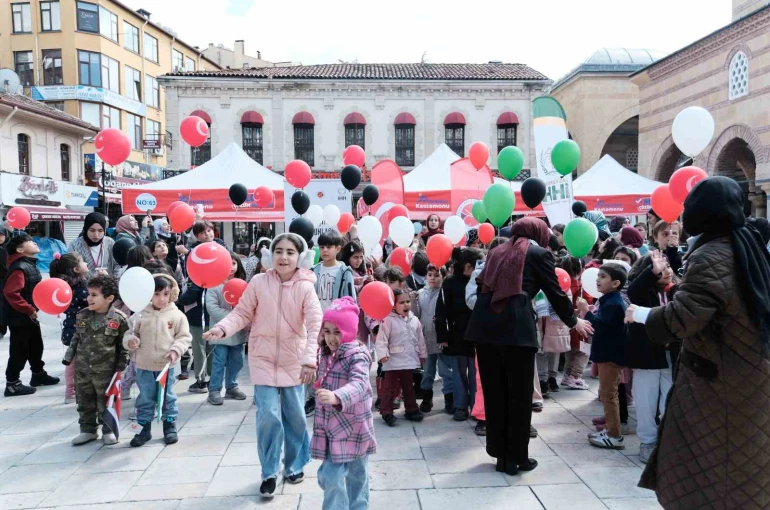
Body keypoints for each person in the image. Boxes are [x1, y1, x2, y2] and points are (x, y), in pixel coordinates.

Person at [623, 177, 770, 508]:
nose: (684, 212)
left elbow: (682, 319)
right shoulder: (746, 244)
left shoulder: (712, 255)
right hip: (744, 378)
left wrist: (643, 315)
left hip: (718, 386)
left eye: (690, 205)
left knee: (712, 479)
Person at [466, 218, 593, 475]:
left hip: (484, 327)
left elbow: (483, 288)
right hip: (515, 328)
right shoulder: (539, 253)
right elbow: (555, 292)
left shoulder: (496, 251)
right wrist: (573, 320)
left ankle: (501, 456)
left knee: (495, 393)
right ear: (539, 233)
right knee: (519, 395)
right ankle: (518, 458)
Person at [203, 233, 321, 498]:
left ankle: (294, 465)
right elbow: (242, 313)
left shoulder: (306, 287)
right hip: (262, 358)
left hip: (294, 360)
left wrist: (310, 358)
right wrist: (222, 329)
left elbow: (315, 325)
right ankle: (268, 472)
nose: (283, 257)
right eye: (278, 251)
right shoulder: (257, 282)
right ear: (269, 255)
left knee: (296, 418)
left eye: (290, 252)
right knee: (268, 416)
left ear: (300, 257)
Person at [312, 297, 376, 510]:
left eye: (337, 332)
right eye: (327, 331)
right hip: (333, 430)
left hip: (355, 428)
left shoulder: (357, 355)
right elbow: (317, 369)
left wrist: (337, 396)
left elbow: (361, 384)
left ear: (349, 331)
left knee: (358, 477)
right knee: (330, 476)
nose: (331, 337)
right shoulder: (325, 352)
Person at [124, 274, 192, 447]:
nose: (162, 299)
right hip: (144, 365)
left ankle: (169, 425)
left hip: (166, 366)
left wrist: (176, 350)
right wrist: (131, 341)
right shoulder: (139, 315)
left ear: (172, 294)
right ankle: (143, 428)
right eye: (157, 294)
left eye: (166, 294)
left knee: (167, 396)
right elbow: (130, 333)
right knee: (145, 397)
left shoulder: (177, 316)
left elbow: (184, 337)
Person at [625, 250, 679, 464]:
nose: (666, 272)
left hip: (671, 356)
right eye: (660, 268)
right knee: (646, 403)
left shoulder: (676, 291)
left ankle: (667, 441)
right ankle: (648, 442)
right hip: (647, 357)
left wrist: (672, 254)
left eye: (667, 267)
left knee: (670, 400)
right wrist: (652, 271)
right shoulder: (644, 291)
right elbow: (635, 291)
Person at [63, 275, 129, 445]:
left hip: (106, 371)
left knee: (105, 401)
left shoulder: (118, 319)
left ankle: (108, 430)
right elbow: (77, 338)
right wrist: (69, 357)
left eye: (94, 295)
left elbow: (124, 345)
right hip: (83, 369)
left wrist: (121, 365)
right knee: (84, 401)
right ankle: (87, 430)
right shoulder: (82, 316)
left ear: (109, 298)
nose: (89, 298)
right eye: (88, 294)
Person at [578, 263, 628, 449]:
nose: (598, 279)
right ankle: (610, 430)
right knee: (608, 394)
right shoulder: (608, 300)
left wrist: (585, 310)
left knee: (609, 395)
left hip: (611, 355)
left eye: (603, 276)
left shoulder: (614, 303)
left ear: (615, 283)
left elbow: (599, 326)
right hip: (608, 354)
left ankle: (615, 435)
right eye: (598, 275)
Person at [3, 234, 60, 396]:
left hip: (30, 316)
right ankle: (12, 384)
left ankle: (38, 375)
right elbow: (11, 293)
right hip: (20, 317)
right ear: (20, 249)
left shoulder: (29, 264)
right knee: (19, 350)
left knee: (36, 346)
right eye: (29, 242)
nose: (34, 243)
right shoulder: (20, 267)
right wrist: (29, 309)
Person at [436, 248, 483, 421]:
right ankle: (460, 406)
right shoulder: (449, 283)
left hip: (477, 334)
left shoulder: (480, 281)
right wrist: (442, 336)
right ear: (468, 266)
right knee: (458, 373)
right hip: (456, 334)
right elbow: (441, 310)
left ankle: (476, 407)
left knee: (475, 374)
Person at [375, 288, 427, 426]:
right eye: (402, 302)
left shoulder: (414, 320)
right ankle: (386, 411)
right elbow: (381, 340)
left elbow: (420, 338)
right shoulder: (387, 320)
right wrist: (383, 355)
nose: (406, 305)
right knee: (389, 388)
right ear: (393, 305)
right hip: (392, 361)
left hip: (409, 360)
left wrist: (422, 354)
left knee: (409, 386)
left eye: (408, 301)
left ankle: (411, 408)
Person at [205, 251, 248, 405]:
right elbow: (211, 307)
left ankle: (231, 386)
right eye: (228, 263)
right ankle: (214, 389)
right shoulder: (214, 286)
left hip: (238, 333)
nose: (231, 267)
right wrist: (233, 317)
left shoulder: (242, 284)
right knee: (219, 361)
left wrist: (241, 320)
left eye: (234, 263)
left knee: (237, 360)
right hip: (220, 333)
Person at [50, 253, 90, 404]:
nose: (86, 263)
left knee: (72, 362)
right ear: (76, 269)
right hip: (82, 328)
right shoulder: (80, 287)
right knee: (80, 362)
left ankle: (70, 392)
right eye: (83, 261)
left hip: (70, 328)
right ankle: (75, 391)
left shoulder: (64, 286)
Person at [414, 264, 453, 414]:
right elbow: (416, 314)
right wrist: (412, 301)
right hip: (425, 338)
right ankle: (426, 396)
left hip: (441, 338)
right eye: (430, 275)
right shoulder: (420, 293)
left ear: (443, 277)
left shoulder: (444, 293)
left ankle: (449, 397)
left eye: (436, 275)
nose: (432, 278)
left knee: (445, 370)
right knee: (427, 370)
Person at [558, 256, 592, 391]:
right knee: (583, 352)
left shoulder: (561, 285)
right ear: (582, 269)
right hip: (581, 324)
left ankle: (567, 375)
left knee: (570, 352)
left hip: (567, 324)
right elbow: (588, 303)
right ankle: (575, 377)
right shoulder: (582, 287)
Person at [313, 230, 356, 312]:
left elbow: (351, 300)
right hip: (316, 319)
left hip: (335, 319)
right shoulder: (314, 270)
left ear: (338, 249)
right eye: (322, 247)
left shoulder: (345, 272)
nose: (325, 250)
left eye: (329, 247)